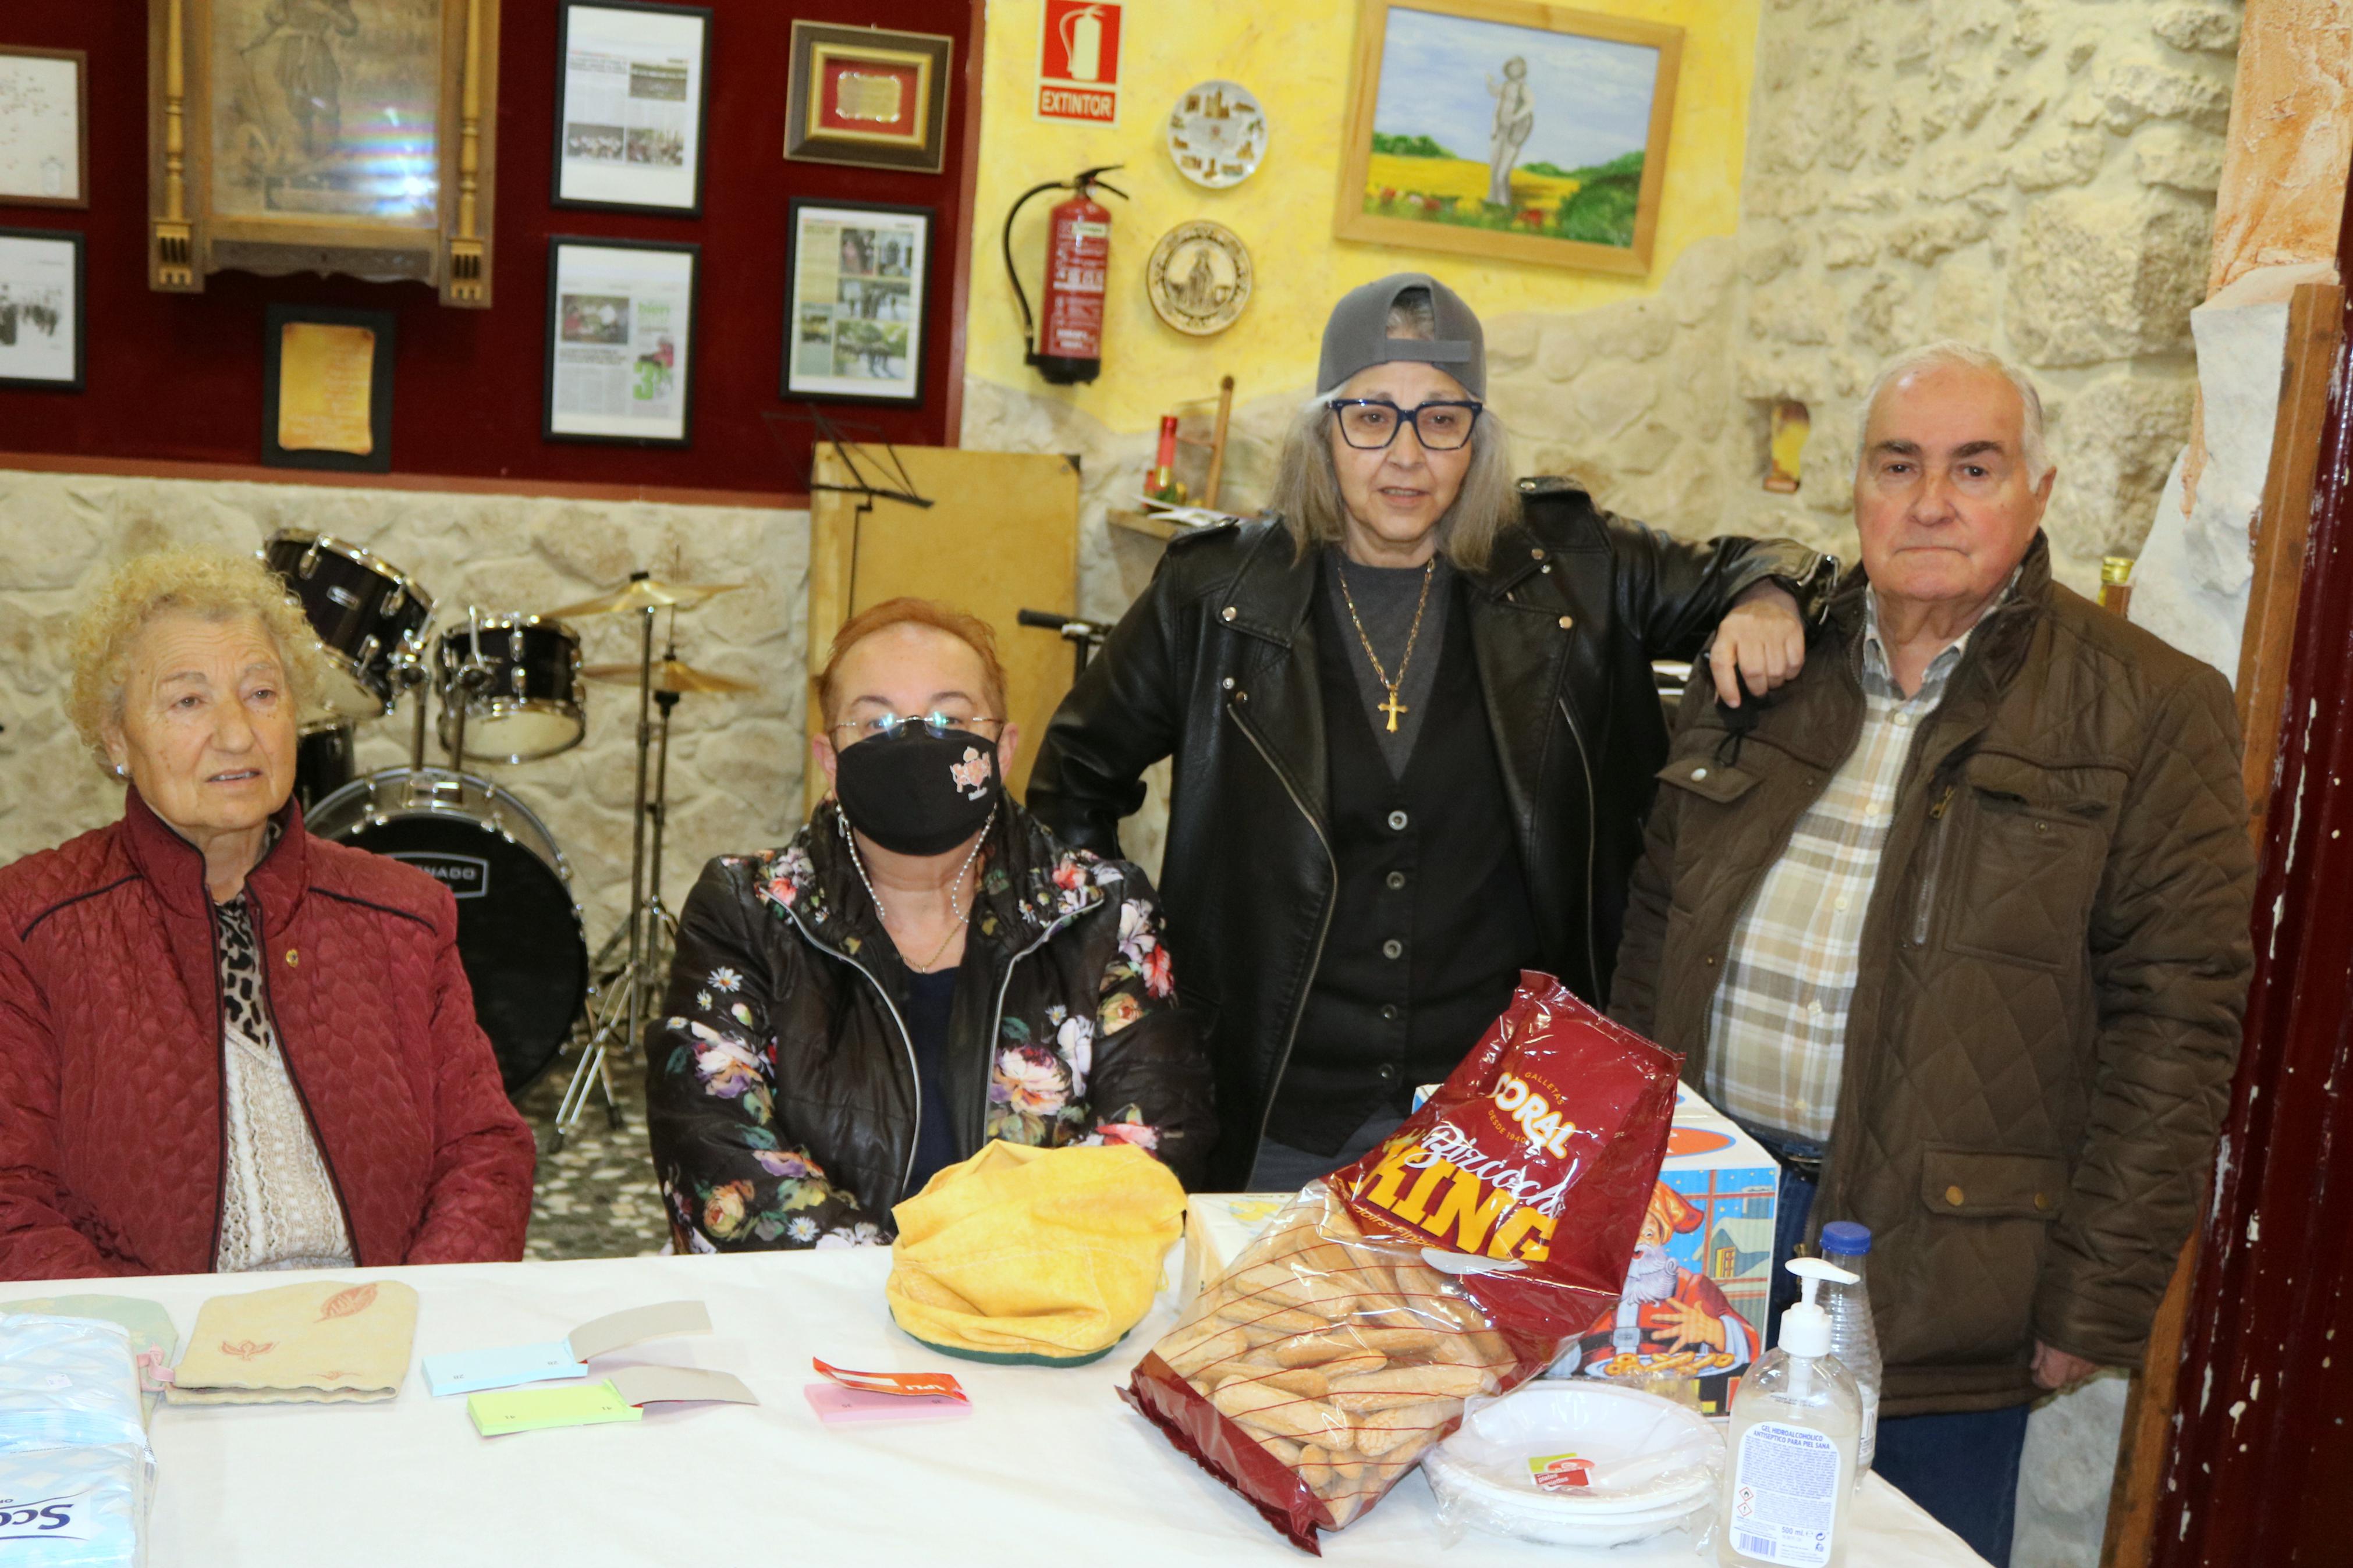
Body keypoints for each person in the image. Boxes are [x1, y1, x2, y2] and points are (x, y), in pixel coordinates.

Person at [1609, 342, 2257, 1566]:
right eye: (1896, 464)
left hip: (1937, 1281)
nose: (1927, 502)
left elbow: (2174, 1025)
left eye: (1973, 467)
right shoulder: (1763, 669)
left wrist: (2093, 1297)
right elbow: (1655, 922)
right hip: (1704, 1237)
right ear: (1851, 486)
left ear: (2038, 490)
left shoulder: (2146, 706)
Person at [1026, 272, 1833, 1190]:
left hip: (1505, 1117)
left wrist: (1767, 595)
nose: (1404, 454)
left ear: (1476, 437)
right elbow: (1073, 777)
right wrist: (1129, 977)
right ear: (1323, 432)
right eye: (1371, 416)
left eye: (1440, 419)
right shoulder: (1213, 595)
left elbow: (1771, 563)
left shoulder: (1571, 568)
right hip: (1275, 1105)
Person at [0, 550, 535, 1280]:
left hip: (384, 1332)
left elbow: (484, 1151)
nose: (235, 733)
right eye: (188, 701)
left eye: (261, 693)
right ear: (117, 738)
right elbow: (12, 1195)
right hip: (153, 1358)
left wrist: (421, 1312)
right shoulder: (35, 924)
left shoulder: (404, 916)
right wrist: (138, 1347)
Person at [644, 598, 1214, 1252]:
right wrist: (905, 1282)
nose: (914, 742)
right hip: (807, 1316)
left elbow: (1151, 1144)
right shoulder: (744, 909)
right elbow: (715, 1151)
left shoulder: (1105, 910)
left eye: (948, 716)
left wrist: (988, 1281)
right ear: (830, 759)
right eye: (876, 721)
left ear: (1002, 749)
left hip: (1036, 1309)